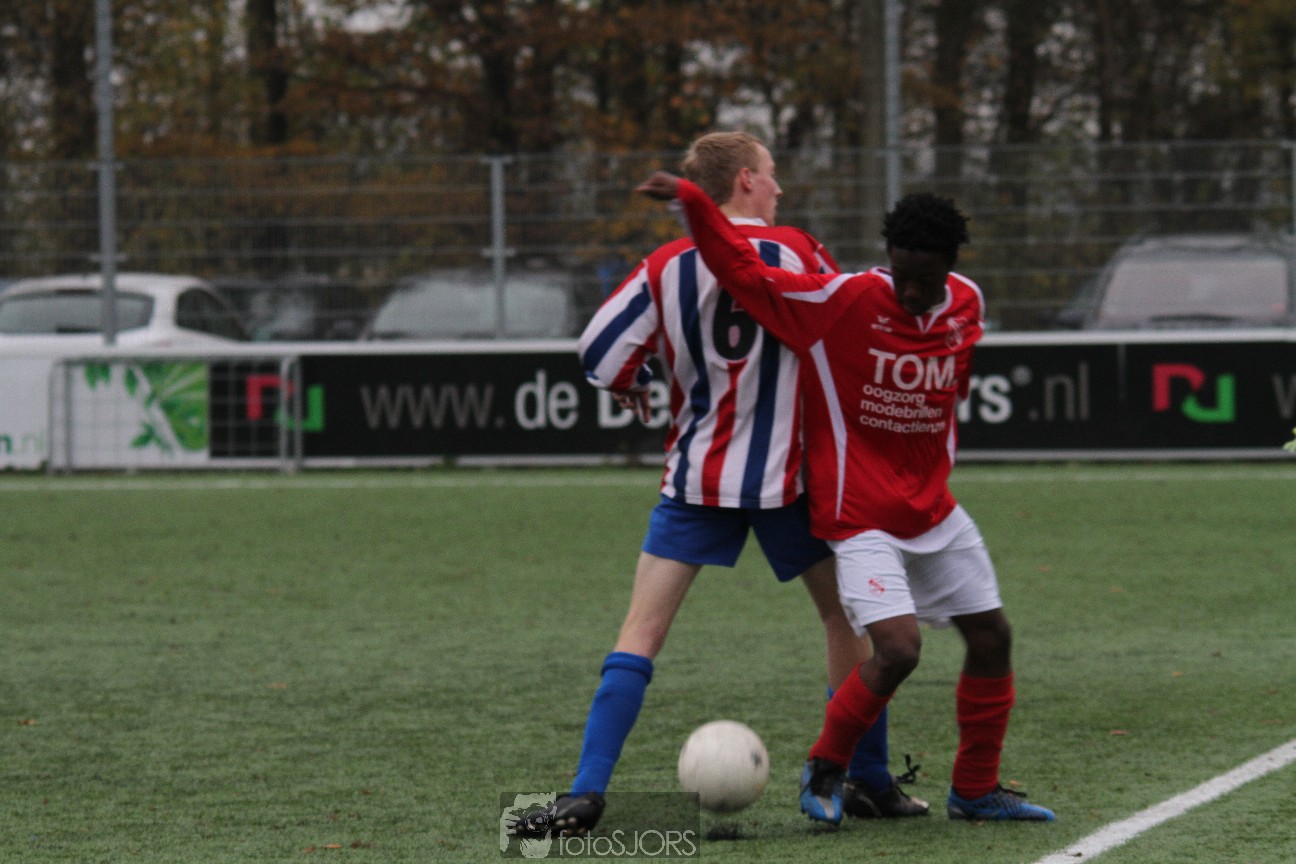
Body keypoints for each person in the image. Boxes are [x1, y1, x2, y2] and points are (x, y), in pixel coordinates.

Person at [635, 170, 1056, 825]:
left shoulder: (968, 303)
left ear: (951, 267)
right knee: (898, 650)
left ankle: (974, 791)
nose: (909, 291)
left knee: (992, 636)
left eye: (925, 280)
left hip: (932, 510)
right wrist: (693, 201)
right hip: (857, 515)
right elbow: (744, 273)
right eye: (901, 275)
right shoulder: (843, 299)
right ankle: (825, 770)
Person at [539, 132, 926, 838]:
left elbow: (599, 350)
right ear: (745, 179)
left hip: (698, 478)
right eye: (772, 174)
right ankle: (863, 779)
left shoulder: (666, 264)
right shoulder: (797, 251)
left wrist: (635, 379)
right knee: (845, 621)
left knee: (641, 630)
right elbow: (847, 327)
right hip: (794, 482)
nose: (779, 187)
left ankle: (585, 793)